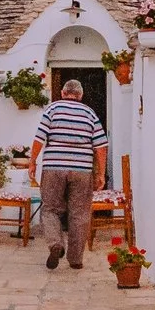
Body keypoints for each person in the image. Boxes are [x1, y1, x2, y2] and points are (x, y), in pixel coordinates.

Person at [29, 78, 108, 271]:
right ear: (80, 96)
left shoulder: (52, 109)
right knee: (80, 213)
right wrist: (101, 174)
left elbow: (40, 138)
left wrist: (32, 161)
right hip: (82, 169)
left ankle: (56, 243)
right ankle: (75, 259)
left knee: (50, 209)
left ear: (63, 93)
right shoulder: (89, 113)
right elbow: (101, 146)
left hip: (54, 167)